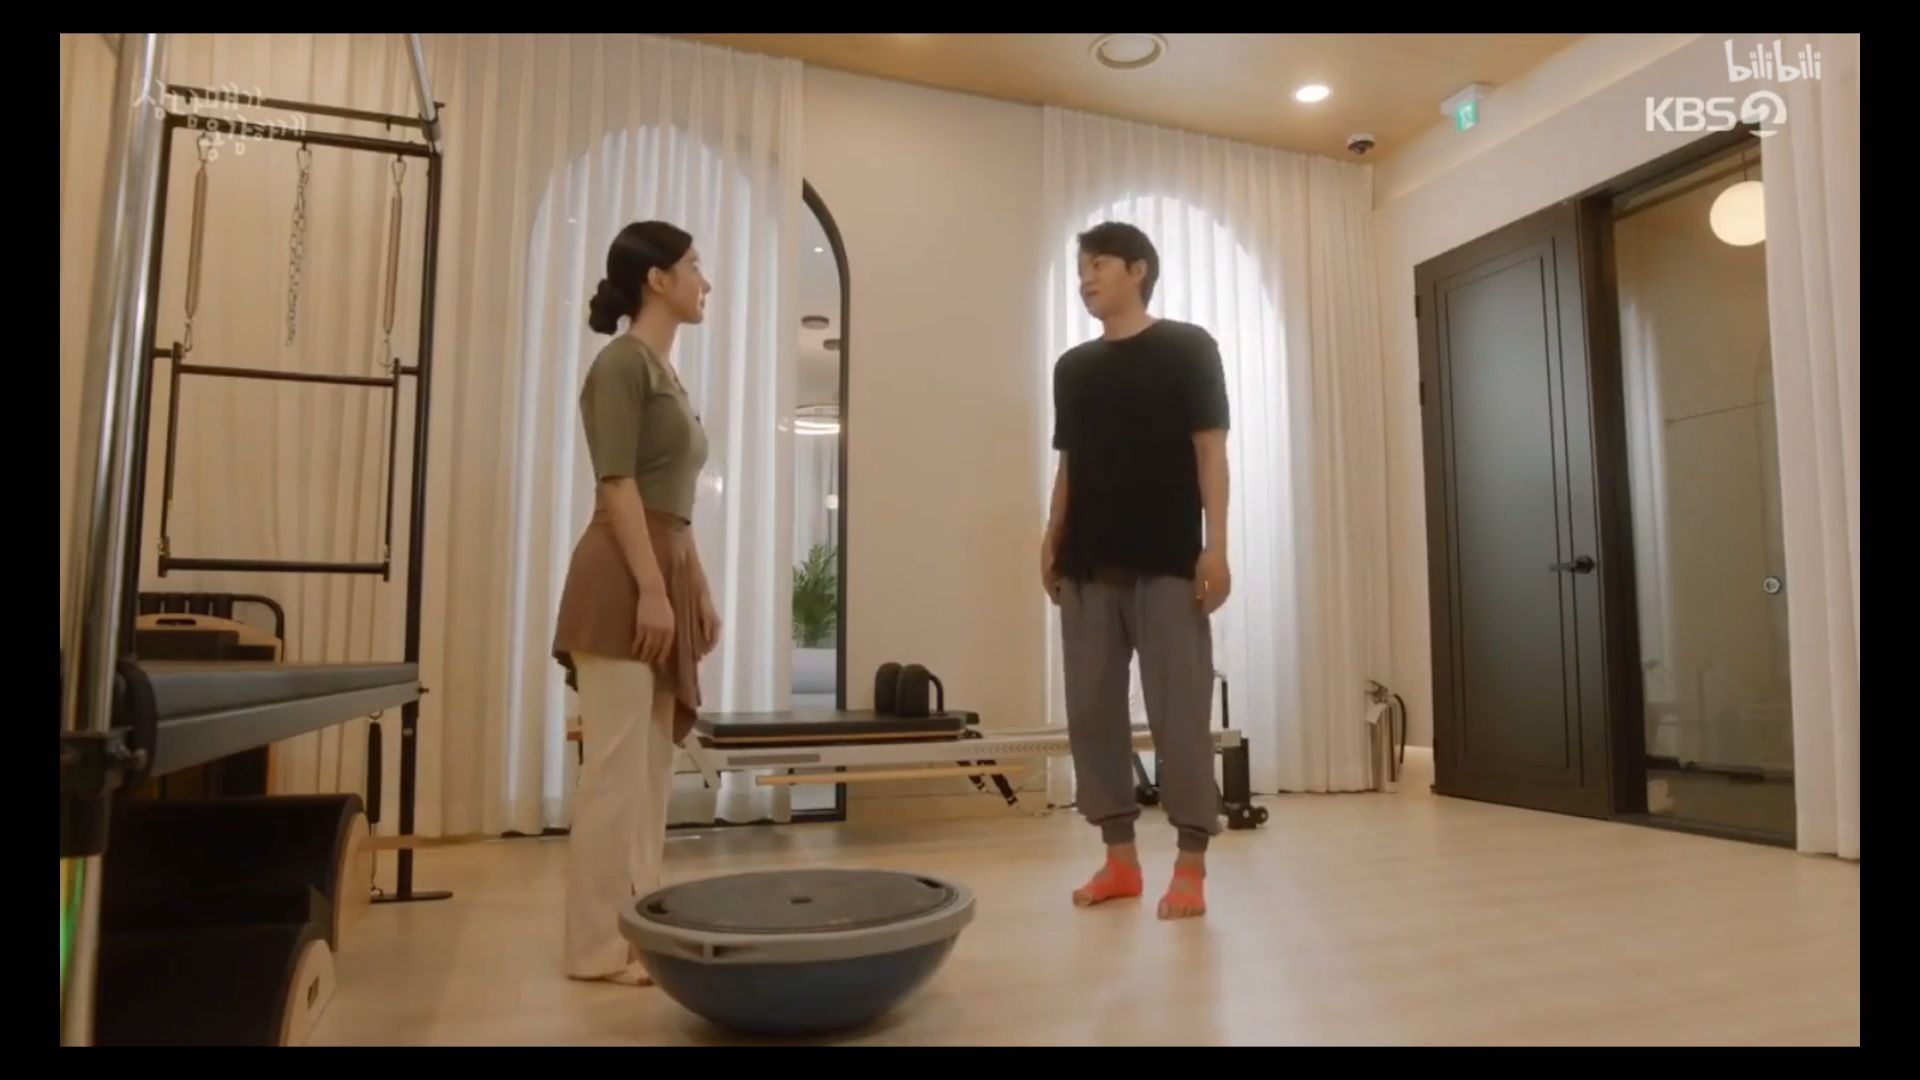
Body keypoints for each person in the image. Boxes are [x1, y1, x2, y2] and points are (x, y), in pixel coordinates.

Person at [1042, 221, 1232, 921]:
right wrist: (1051, 536)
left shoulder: (1188, 348)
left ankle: (1190, 864)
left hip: (1168, 558)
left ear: (1138, 270)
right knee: (1092, 710)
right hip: (1087, 561)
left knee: (1180, 710)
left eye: (1099, 264)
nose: (1086, 278)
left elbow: (1210, 452)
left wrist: (1217, 546)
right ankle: (1119, 860)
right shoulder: (1073, 368)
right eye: (1081, 268)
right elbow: (1071, 465)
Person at [552, 221, 722, 984]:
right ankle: (593, 947)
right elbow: (617, 484)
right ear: (657, 280)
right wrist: (653, 589)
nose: (704, 283)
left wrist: (697, 588)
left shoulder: (664, 372)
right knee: (615, 772)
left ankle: (639, 926)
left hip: (662, 566)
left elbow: (674, 502)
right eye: (694, 267)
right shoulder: (620, 364)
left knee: (650, 770)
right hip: (621, 574)